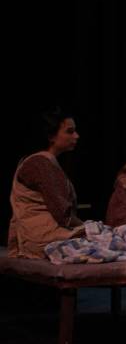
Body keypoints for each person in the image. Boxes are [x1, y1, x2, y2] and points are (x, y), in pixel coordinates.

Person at [8, 108, 85, 258]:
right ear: (51, 136)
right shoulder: (40, 163)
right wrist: (89, 228)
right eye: (70, 131)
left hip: (43, 234)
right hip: (43, 238)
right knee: (108, 238)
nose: (76, 136)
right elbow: (63, 214)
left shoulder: (43, 161)